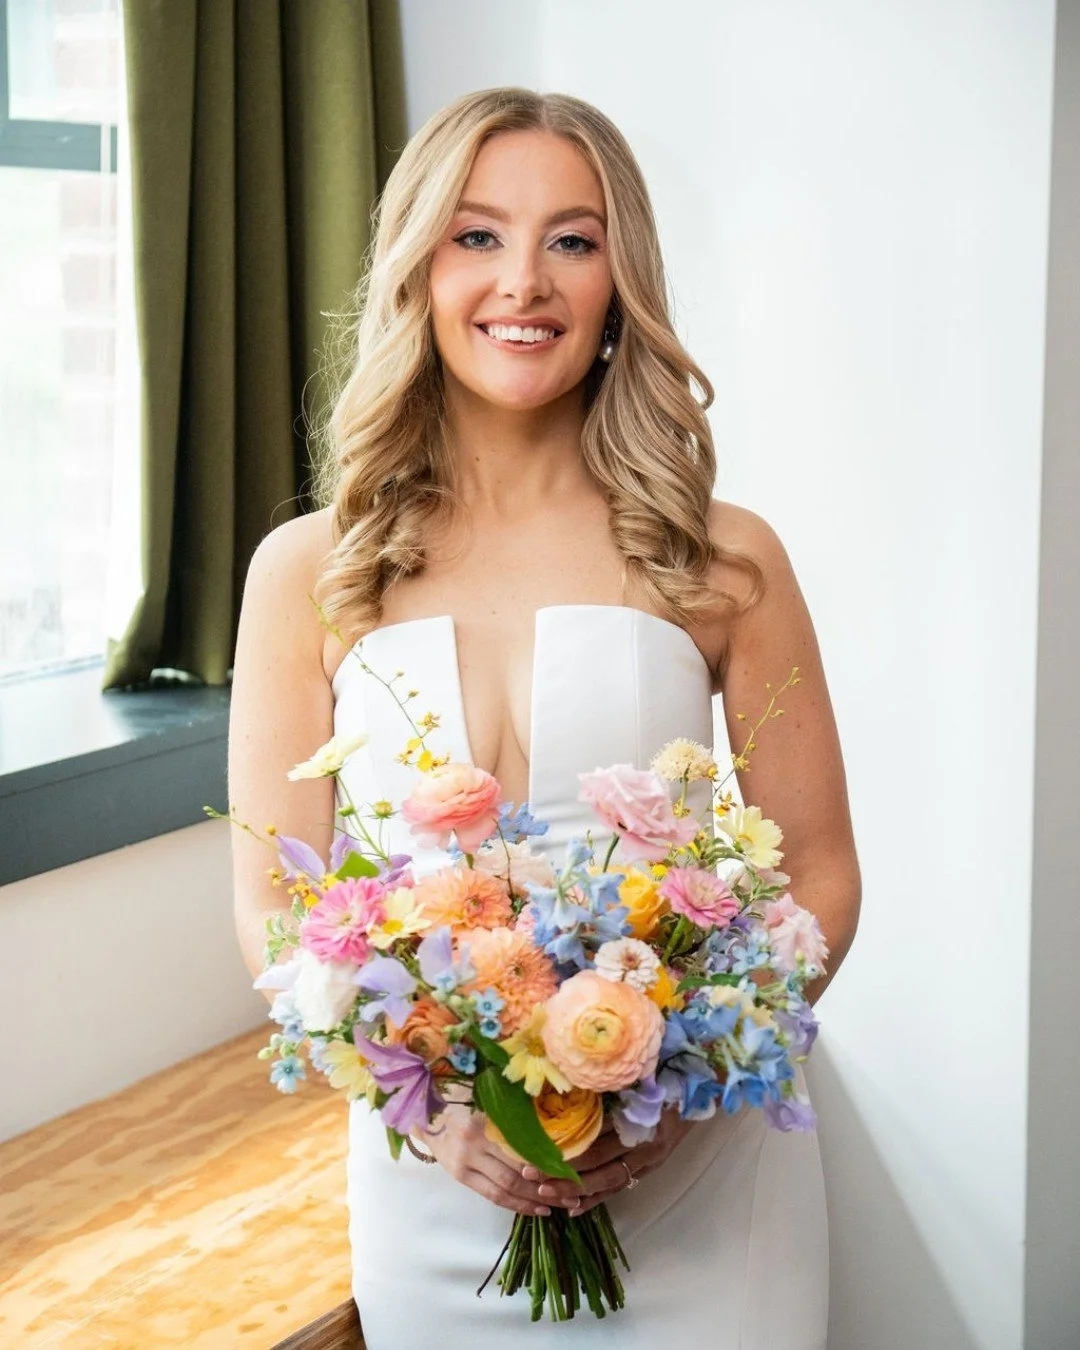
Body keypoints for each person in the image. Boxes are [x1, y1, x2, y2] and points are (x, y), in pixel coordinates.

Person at [229, 87, 860, 1348]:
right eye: (477, 235)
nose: (525, 280)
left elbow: (823, 873)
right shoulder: (310, 568)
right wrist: (434, 1113)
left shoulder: (725, 556)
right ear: (418, 264)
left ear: (621, 276)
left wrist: (674, 1091)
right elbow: (277, 904)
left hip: (701, 1185)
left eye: (573, 239)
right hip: (434, 1184)